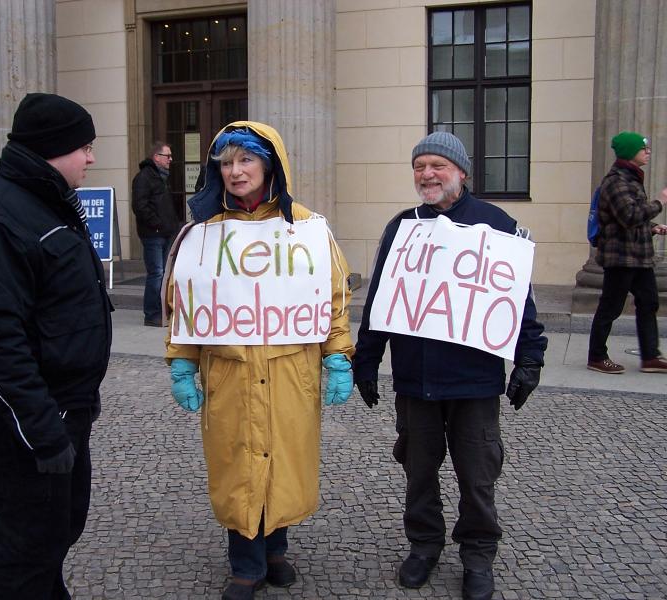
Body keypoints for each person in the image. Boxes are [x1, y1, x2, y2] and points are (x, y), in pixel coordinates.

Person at [163, 122, 355, 600]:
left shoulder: (307, 228)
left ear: (269, 164)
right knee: (238, 464)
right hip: (230, 373)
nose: (235, 171)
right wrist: (182, 362)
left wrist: (337, 356)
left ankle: (276, 551)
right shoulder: (203, 235)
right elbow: (186, 304)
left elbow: (332, 297)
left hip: (291, 372)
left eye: (245, 160)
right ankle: (245, 566)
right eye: (226, 163)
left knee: (284, 461)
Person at [353, 131, 548, 600]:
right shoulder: (402, 227)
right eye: (420, 166)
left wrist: (529, 359)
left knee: (477, 473)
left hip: (474, 381)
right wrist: (367, 357)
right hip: (416, 381)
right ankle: (424, 546)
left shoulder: (498, 224)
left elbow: (520, 301)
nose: (427, 174)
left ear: (461, 172)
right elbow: (383, 297)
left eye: (438, 165)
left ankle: (478, 555)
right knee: (419, 469)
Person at [0, 93, 113, 600]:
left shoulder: (43, 200)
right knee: (28, 547)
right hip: (33, 423)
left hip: (65, 410)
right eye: (84, 147)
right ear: (53, 148)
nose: (90, 158)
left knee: (56, 530)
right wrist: (41, 431)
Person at [587, 131, 667, 374]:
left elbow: (627, 217)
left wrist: (653, 228)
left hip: (638, 257)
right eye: (643, 149)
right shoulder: (616, 181)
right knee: (610, 307)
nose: (648, 152)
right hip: (620, 258)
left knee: (649, 302)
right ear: (631, 153)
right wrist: (660, 203)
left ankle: (650, 356)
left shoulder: (631, 178)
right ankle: (597, 357)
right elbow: (629, 215)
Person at [132, 141, 180, 326]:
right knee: (157, 273)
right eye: (167, 156)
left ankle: (162, 311)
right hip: (153, 234)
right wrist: (157, 225)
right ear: (156, 157)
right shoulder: (144, 177)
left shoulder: (160, 177)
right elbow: (140, 206)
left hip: (165, 232)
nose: (170, 160)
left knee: (163, 274)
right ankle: (152, 314)